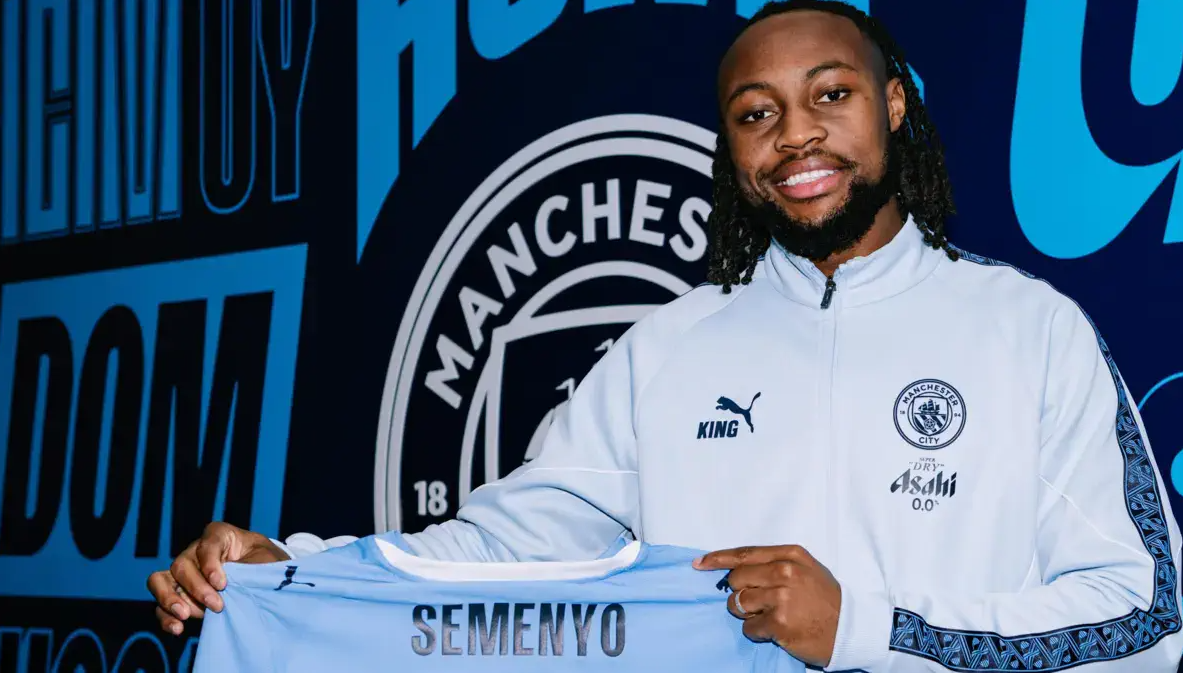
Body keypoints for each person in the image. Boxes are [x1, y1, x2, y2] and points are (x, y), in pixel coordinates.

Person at [148, 1, 1183, 670]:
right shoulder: (666, 351)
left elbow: (1148, 618)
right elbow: (500, 553)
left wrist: (867, 626)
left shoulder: (1029, 331)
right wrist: (294, 569)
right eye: (755, 114)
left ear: (895, 103)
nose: (796, 135)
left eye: (830, 95)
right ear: (729, 147)